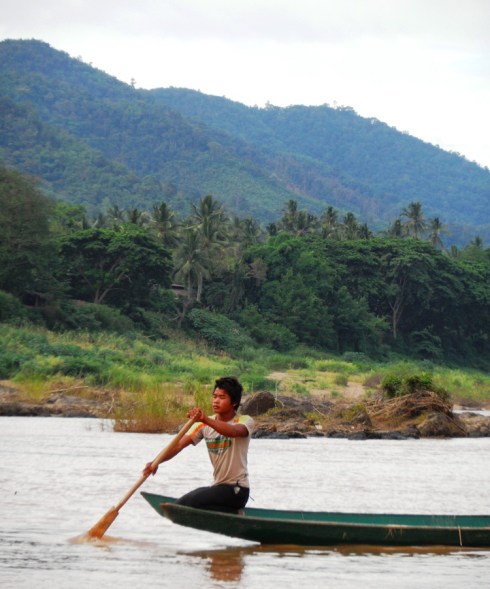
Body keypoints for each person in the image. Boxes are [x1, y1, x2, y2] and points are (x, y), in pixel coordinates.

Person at [143, 376, 254, 512]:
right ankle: (233, 513)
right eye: (215, 396)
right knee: (199, 503)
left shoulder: (244, 421)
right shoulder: (204, 425)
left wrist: (205, 419)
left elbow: (232, 432)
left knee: (192, 498)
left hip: (237, 490)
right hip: (218, 487)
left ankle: (178, 508)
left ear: (234, 402)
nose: (216, 401)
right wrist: (156, 462)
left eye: (222, 397)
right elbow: (178, 445)